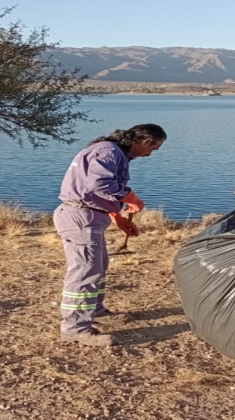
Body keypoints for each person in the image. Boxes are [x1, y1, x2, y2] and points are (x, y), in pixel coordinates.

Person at [54, 123, 167, 346]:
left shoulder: (108, 151)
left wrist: (118, 217)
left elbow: (94, 192)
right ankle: (74, 328)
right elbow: (99, 183)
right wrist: (130, 197)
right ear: (146, 141)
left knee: (98, 267)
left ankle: (95, 310)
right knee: (85, 271)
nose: (150, 155)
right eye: (153, 149)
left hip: (89, 216)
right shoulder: (109, 151)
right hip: (80, 217)